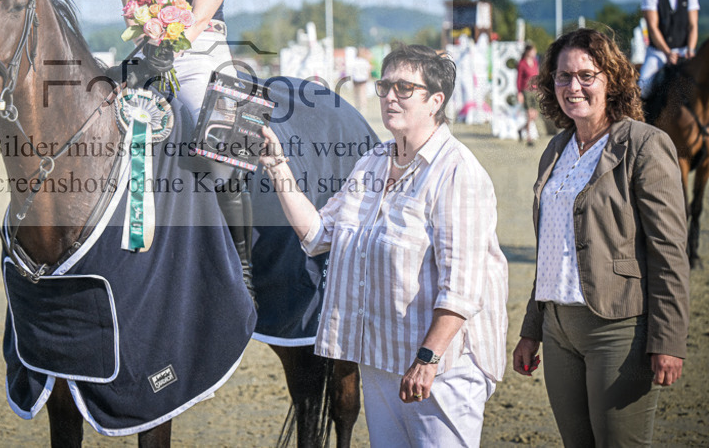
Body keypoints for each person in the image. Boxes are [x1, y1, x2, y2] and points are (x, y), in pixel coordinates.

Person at [260, 44, 508, 446]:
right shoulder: (372, 162)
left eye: (405, 87)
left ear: (436, 100)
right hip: (380, 358)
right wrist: (276, 165)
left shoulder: (458, 172)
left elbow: (462, 286)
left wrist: (427, 359)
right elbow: (318, 235)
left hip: (441, 367)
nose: (390, 96)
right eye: (385, 85)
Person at [512, 28, 689, 447]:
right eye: (562, 76)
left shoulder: (644, 145)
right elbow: (550, 248)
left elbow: (668, 252)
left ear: (611, 79)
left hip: (619, 329)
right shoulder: (555, 149)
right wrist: (531, 329)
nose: (573, 87)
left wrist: (669, 339)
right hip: (558, 330)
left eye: (586, 75)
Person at [113, 0, 255, 300]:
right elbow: (133, 4)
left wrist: (170, 43)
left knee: (223, 136)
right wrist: (149, 47)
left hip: (202, 48)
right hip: (143, 47)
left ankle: (242, 269)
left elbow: (198, 15)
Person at [638, 0, 698, 97]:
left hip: (684, 51)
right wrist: (667, 52)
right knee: (642, 87)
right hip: (658, 53)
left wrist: (691, 49)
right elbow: (653, 28)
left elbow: (692, 26)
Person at [516, 44, 540, 145]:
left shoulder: (534, 62)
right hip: (526, 90)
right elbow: (519, 78)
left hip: (535, 89)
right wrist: (519, 92)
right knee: (529, 113)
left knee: (535, 114)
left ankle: (521, 129)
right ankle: (529, 137)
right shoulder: (522, 64)